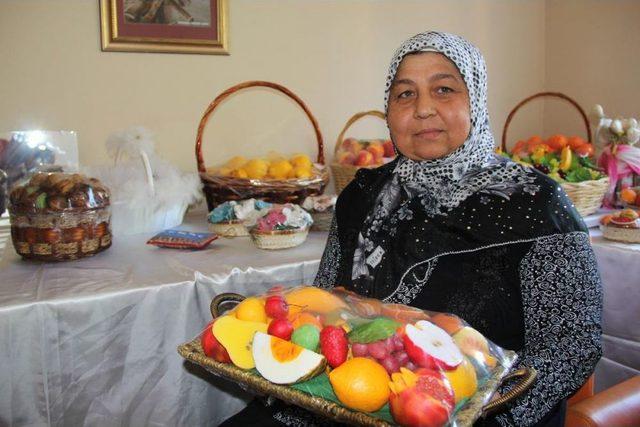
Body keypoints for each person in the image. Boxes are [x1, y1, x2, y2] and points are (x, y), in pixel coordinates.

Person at [222, 31, 603, 427]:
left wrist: (480, 415)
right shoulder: (363, 194)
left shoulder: (534, 203)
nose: (423, 109)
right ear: (388, 111)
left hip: (490, 412)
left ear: (475, 100)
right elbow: (326, 308)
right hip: (351, 396)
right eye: (405, 94)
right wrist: (304, 403)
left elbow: (571, 344)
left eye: (444, 89)